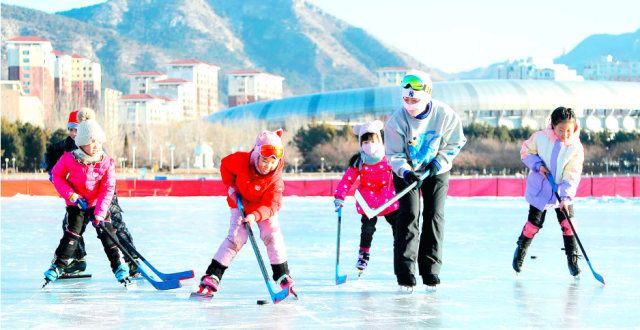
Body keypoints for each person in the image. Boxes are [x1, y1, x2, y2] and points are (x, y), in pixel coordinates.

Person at [384, 70, 466, 291]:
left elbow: (456, 143)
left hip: (437, 170)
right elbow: (394, 154)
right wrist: (407, 171)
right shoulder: (396, 121)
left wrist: (436, 164)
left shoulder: (445, 115)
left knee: (434, 215)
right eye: (406, 99)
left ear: (427, 95)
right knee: (409, 214)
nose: (410, 104)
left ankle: (430, 270)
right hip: (407, 172)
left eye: (415, 100)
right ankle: (405, 273)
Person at [198, 129, 296, 296]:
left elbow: (272, 205)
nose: (268, 166)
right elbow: (225, 165)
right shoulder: (240, 160)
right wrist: (231, 186)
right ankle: (213, 275)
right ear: (257, 153)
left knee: (271, 234)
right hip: (240, 203)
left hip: (262, 209)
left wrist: (255, 216)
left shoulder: (276, 180)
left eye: (273, 162)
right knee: (236, 237)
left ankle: (282, 275)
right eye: (265, 160)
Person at [44, 109, 140, 277]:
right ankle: (77, 260)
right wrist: (65, 187)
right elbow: (55, 170)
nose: (73, 133)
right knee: (71, 227)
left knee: (114, 226)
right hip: (78, 199)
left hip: (101, 197)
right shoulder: (65, 147)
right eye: (71, 129)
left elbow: (108, 181)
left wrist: (106, 204)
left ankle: (132, 260)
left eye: (77, 128)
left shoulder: (96, 146)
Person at [512, 106, 584, 277]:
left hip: (562, 191)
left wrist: (565, 198)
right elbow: (525, 152)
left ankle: (572, 259)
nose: (565, 134)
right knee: (533, 225)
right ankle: (521, 248)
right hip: (541, 189)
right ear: (552, 125)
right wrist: (538, 166)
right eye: (561, 130)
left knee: (569, 224)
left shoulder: (575, 147)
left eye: (569, 130)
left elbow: (572, 173)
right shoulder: (540, 138)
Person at [333, 120, 398, 274]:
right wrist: (340, 197)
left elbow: (400, 173)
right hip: (368, 201)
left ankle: (401, 251)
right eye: (365, 141)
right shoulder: (359, 161)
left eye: (372, 140)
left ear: (379, 140)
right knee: (367, 229)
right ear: (361, 143)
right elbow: (347, 180)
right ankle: (363, 254)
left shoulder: (389, 157)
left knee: (398, 227)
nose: (369, 144)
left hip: (388, 198)